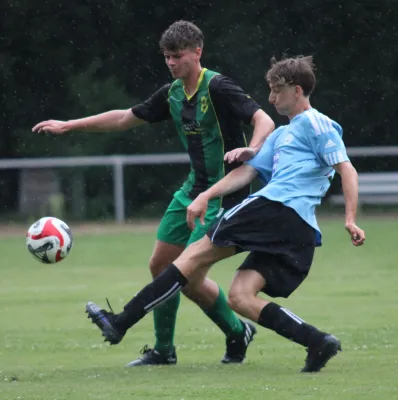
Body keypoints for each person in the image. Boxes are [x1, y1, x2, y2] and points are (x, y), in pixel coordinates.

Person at [85, 54, 366, 372]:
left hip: (274, 209)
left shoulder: (316, 122)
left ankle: (120, 322)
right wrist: (208, 193)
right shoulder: (281, 135)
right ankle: (317, 341)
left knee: (189, 260)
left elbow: (347, 170)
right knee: (240, 296)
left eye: (277, 90)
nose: (271, 98)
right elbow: (245, 173)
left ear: (298, 90)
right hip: (296, 230)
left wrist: (350, 218)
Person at [33, 20, 275, 366]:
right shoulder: (172, 93)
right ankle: (166, 350)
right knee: (162, 266)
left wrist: (251, 150)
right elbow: (123, 119)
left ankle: (236, 332)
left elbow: (264, 120)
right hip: (192, 190)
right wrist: (70, 125)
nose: (172, 63)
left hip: (226, 193)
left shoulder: (218, 87)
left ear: (197, 52)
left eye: (178, 56)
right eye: (167, 57)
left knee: (185, 273)